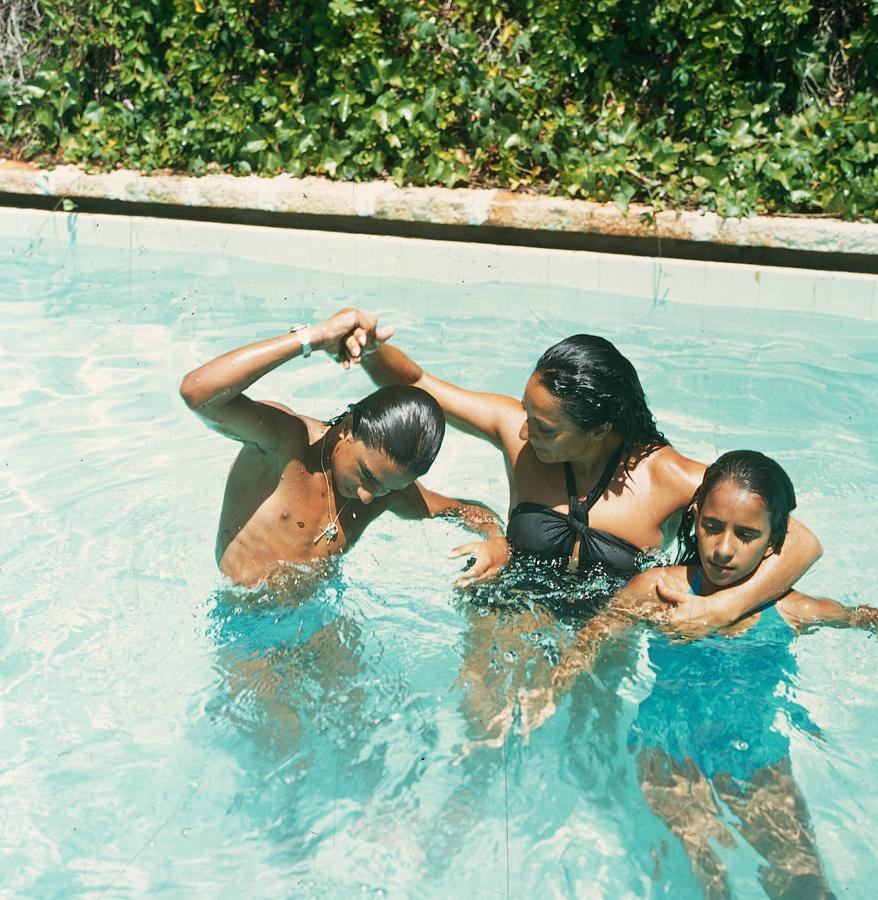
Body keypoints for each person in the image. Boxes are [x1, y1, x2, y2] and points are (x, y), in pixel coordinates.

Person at [515, 450, 876, 896]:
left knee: (803, 880)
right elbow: (596, 635)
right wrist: (552, 690)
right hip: (667, 749)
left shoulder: (790, 610)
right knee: (706, 880)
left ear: (775, 542)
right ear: (695, 518)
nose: (723, 549)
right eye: (712, 527)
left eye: (746, 535)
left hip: (755, 755)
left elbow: (863, 618)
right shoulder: (659, 589)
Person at [353, 326, 822, 625]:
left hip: (603, 629)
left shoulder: (667, 476)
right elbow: (417, 383)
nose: (522, 428)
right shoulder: (519, 438)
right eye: (527, 411)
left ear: (599, 431)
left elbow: (800, 539)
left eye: (544, 426)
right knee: (486, 740)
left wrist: (725, 607)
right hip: (509, 611)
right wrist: (369, 346)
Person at [180, 308, 502, 590]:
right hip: (243, 622)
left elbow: (469, 511)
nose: (367, 496)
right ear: (347, 427)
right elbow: (197, 392)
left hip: (320, 619)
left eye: (385, 488)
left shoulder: (387, 491)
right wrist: (313, 338)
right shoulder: (284, 443)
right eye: (367, 475)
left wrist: (497, 541)